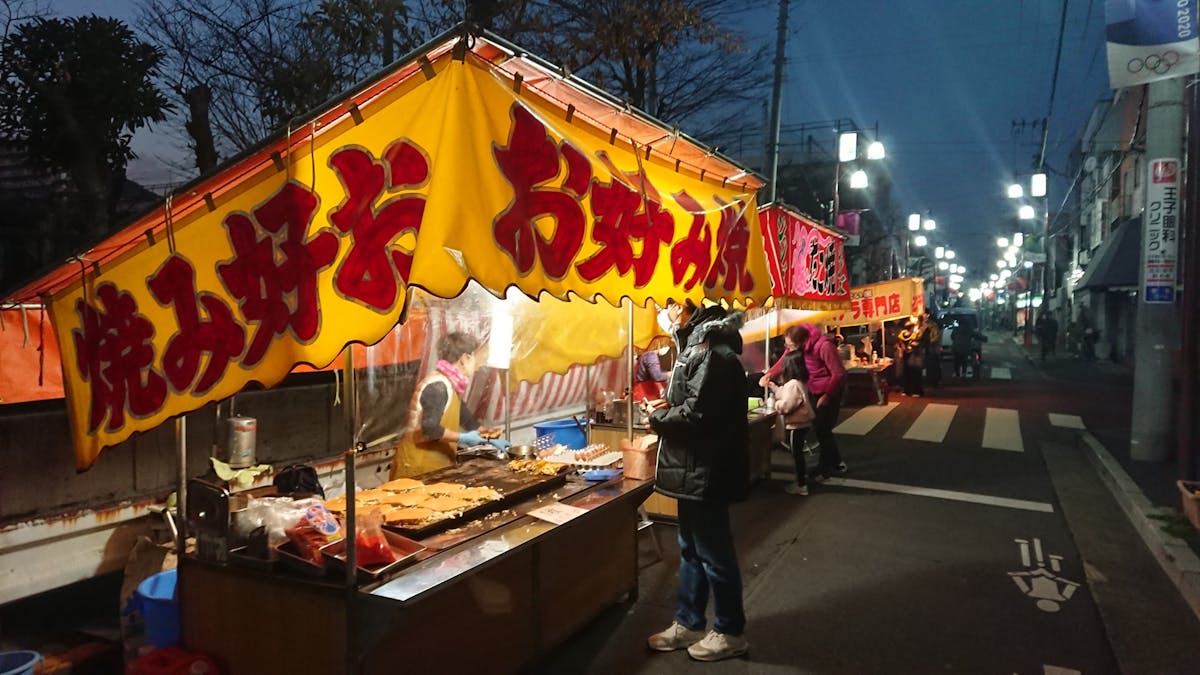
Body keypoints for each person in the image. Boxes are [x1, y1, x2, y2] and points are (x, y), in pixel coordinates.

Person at [645, 301, 751, 662]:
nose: (662, 312)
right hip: (692, 467)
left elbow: (697, 415)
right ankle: (689, 622)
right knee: (691, 548)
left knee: (713, 553)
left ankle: (730, 631)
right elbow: (691, 402)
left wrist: (658, 419)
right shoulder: (695, 345)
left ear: (683, 307)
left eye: (666, 305)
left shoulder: (710, 352)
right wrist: (666, 407)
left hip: (706, 469)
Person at [390, 331, 510, 479]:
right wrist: (463, 438)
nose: (478, 366)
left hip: (435, 464)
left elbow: (464, 415)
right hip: (417, 466)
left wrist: (486, 434)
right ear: (464, 359)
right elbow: (429, 429)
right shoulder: (438, 386)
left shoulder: (450, 384)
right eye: (476, 359)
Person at [788, 323, 847, 481]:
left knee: (823, 429)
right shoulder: (801, 346)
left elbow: (839, 373)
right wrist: (769, 374)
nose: (789, 348)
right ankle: (837, 463)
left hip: (830, 390)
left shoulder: (824, 346)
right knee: (821, 429)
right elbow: (784, 359)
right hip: (814, 389)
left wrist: (827, 395)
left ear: (801, 340)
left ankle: (825, 469)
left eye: (791, 345)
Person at [767, 351, 815, 496]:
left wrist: (775, 404)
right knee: (797, 453)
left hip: (796, 424)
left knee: (796, 454)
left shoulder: (793, 384)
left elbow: (787, 406)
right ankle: (801, 481)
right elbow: (787, 395)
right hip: (801, 424)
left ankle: (801, 485)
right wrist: (775, 388)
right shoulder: (798, 382)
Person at [897, 315, 927, 397]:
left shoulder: (922, 328)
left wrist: (916, 345)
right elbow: (902, 338)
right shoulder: (906, 327)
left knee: (916, 371)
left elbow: (924, 340)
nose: (913, 319)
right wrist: (903, 346)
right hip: (906, 352)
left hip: (916, 352)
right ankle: (907, 390)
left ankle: (917, 390)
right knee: (906, 371)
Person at [922, 312, 942, 388]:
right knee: (928, 365)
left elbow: (936, 337)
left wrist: (929, 342)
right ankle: (930, 380)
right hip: (926, 348)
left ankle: (934, 381)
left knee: (933, 365)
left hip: (932, 348)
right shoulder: (920, 324)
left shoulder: (933, 325)